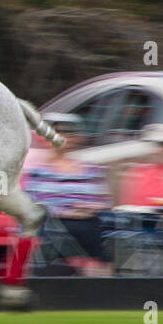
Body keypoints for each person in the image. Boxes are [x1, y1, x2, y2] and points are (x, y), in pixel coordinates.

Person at [21, 113, 113, 268]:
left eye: (71, 134)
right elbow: (34, 205)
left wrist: (89, 209)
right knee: (75, 231)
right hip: (55, 224)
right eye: (59, 133)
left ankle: (98, 278)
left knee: (102, 232)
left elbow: (104, 201)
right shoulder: (38, 172)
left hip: (88, 222)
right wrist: (66, 212)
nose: (65, 138)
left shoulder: (90, 170)